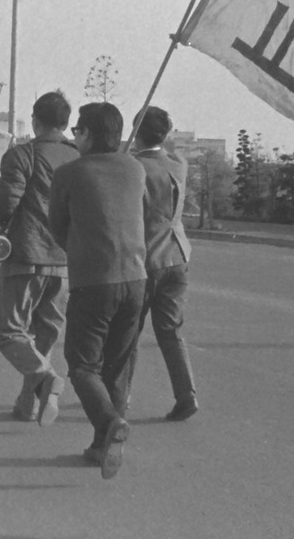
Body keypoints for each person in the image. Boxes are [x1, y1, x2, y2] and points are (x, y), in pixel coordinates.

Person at [48, 101, 148, 479]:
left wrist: (79, 246)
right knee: (117, 367)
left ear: (87, 134)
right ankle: (100, 443)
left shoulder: (70, 173)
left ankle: (109, 424)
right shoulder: (135, 168)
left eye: (77, 131)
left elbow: (57, 225)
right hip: (136, 279)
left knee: (83, 365)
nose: (75, 137)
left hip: (94, 279)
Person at [0, 90, 81, 423]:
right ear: (67, 123)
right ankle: (28, 404)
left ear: (36, 120)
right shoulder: (82, 157)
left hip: (27, 254)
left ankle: (46, 376)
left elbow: (2, 206)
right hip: (67, 260)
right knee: (44, 336)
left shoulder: (22, 155)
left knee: (11, 333)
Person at [133, 107, 198, 421]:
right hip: (177, 254)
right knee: (171, 330)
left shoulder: (133, 167)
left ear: (136, 131)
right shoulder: (179, 163)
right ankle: (186, 394)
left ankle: (120, 394)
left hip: (145, 257)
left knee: (127, 331)